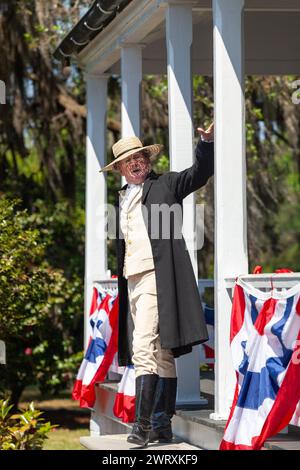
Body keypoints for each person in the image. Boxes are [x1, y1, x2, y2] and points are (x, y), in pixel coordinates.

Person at [100, 123, 214, 447]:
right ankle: (163, 424)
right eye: (128, 161)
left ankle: (142, 425)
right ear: (121, 169)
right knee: (163, 353)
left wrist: (205, 143)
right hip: (131, 280)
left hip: (156, 276)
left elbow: (199, 173)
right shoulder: (121, 197)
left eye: (139, 157)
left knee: (142, 348)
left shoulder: (166, 184)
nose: (135, 164)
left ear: (147, 160)